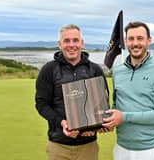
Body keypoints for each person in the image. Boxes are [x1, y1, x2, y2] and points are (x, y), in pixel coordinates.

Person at [35, 24, 108, 160]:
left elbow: (102, 104)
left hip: (88, 146)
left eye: (75, 40)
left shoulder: (95, 70)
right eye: (66, 41)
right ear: (60, 44)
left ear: (82, 43)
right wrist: (62, 122)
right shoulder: (49, 70)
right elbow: (41, 104)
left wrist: (96, 126)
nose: (71, 45)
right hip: (58, 146)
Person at [102, 21, 154, 160]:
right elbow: (117, 105)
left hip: (150, 150)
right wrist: (107, 121)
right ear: (126, 41)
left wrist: (124, 117)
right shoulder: (118, 71)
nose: (135, 43)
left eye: (140, 38)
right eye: (131, 39)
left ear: (149, 40)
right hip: (121, 148)